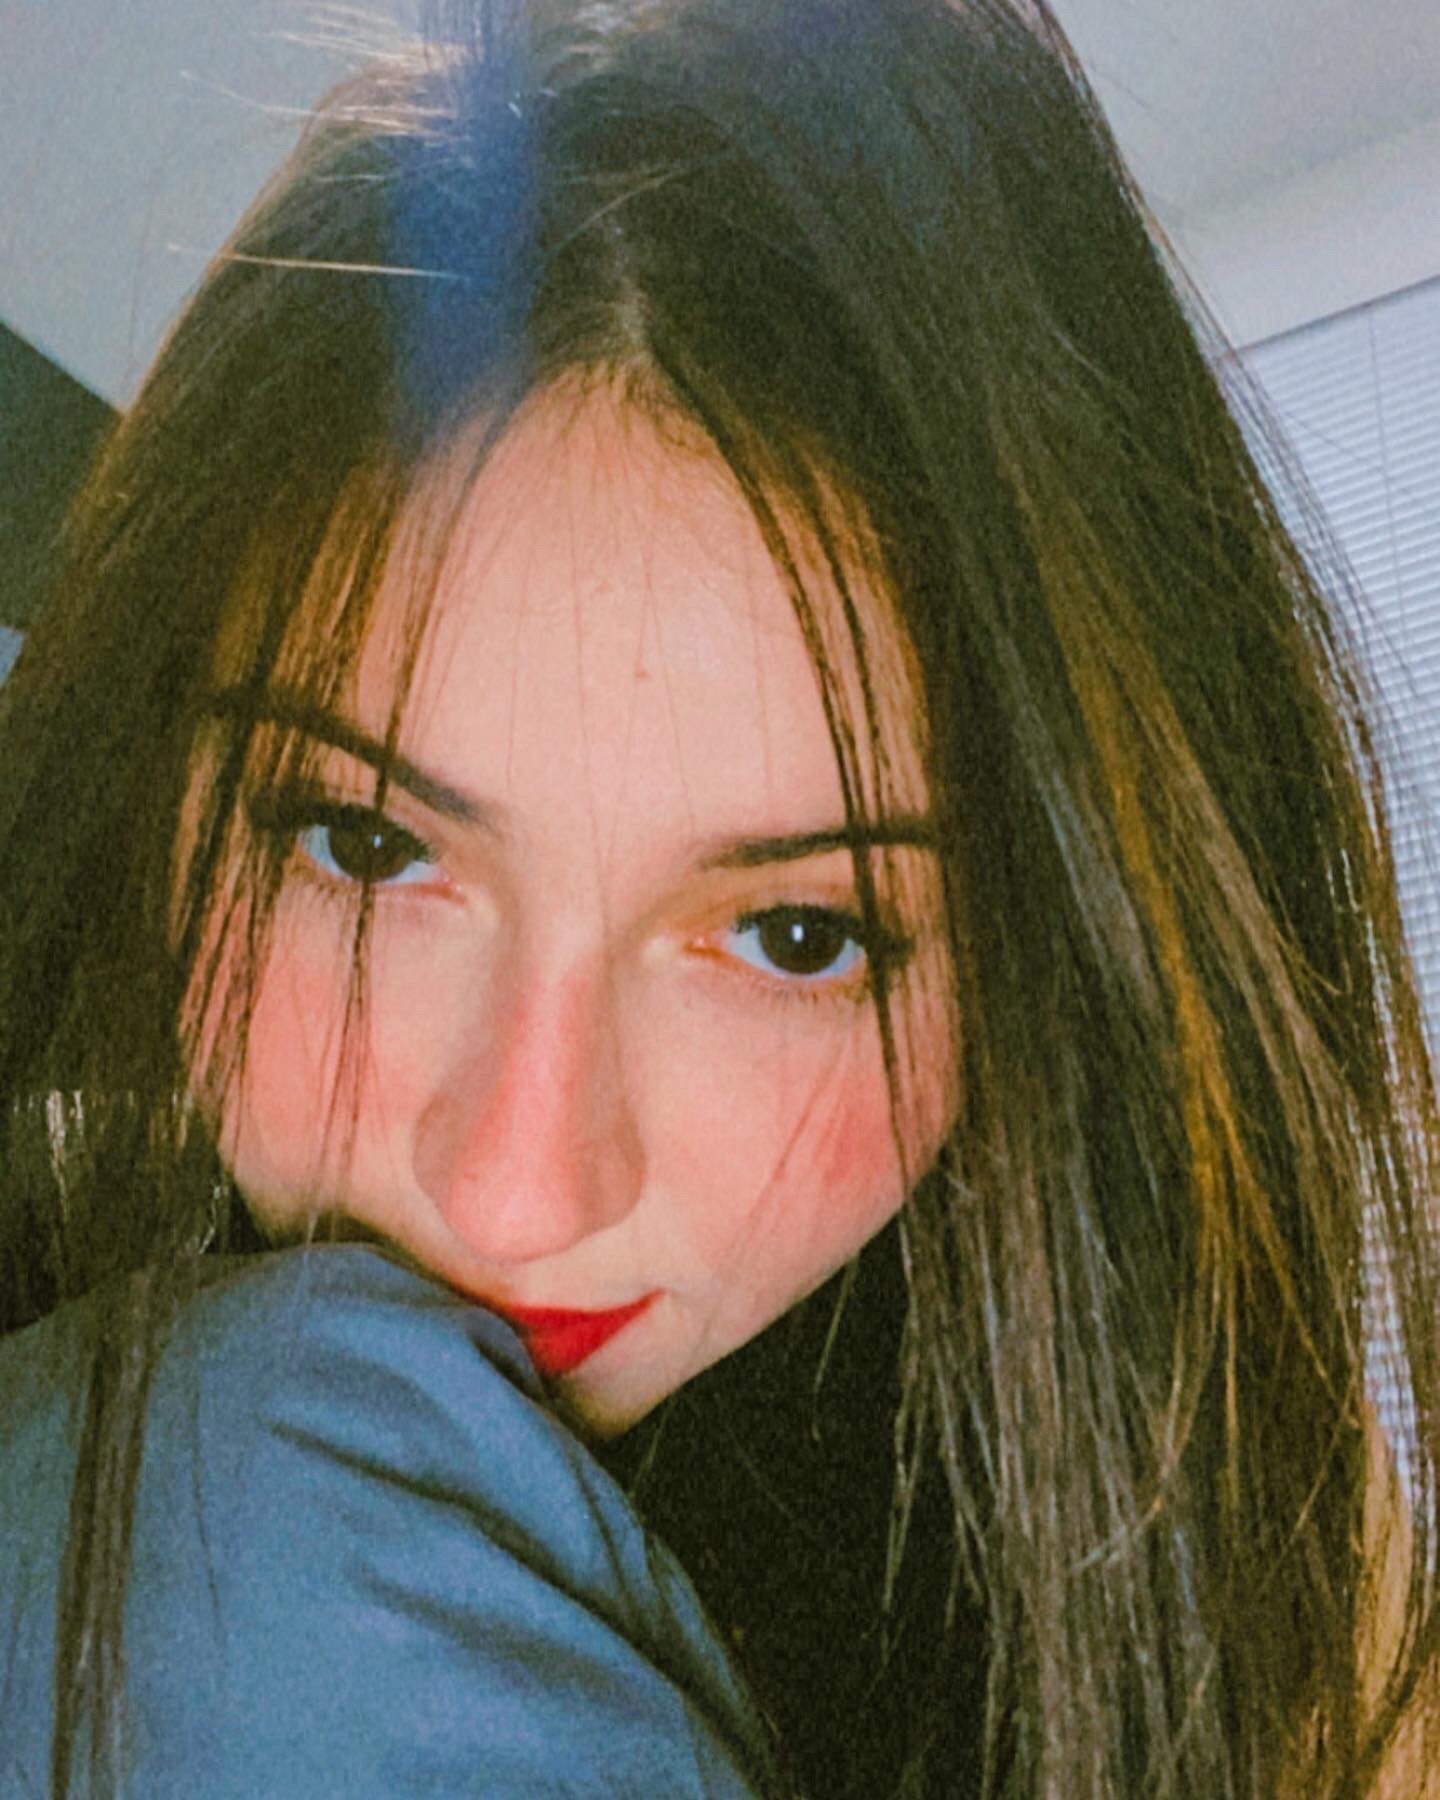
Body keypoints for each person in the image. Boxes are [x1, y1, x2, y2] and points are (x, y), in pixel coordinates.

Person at [1, 0, 1437, 1793]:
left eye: (796, 939)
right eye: (365, 846)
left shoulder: (1241, 1540)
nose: (517, 1190)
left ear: (1058, 964)